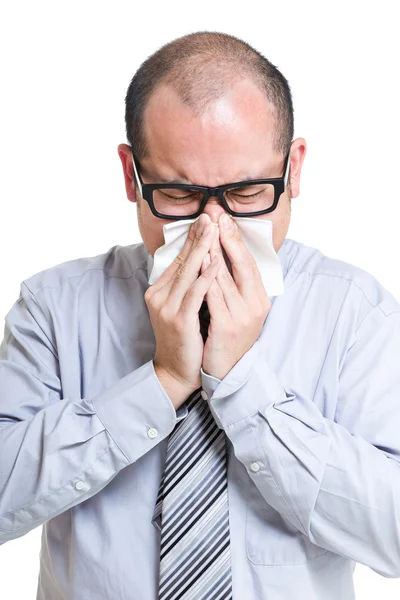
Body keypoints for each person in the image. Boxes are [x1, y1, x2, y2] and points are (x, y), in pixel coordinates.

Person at [0, 30, 399, 600]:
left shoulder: (355, 313)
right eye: (181, 194)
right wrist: (160, 382)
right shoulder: (53, 307)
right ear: (132, 176)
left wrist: (244, 388)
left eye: (246, 191)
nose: (215, 225)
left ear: (294, 169)